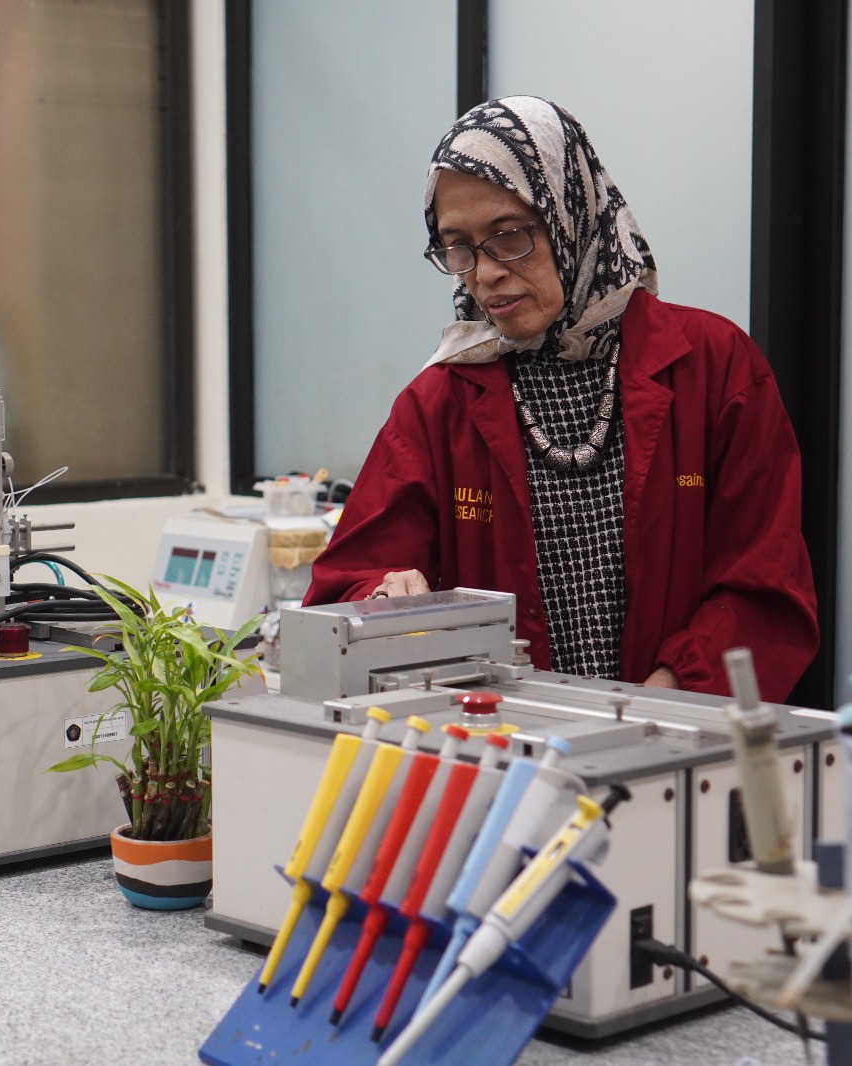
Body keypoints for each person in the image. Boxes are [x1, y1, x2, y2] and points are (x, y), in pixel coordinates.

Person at [303, 97, 818, 701]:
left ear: (572, 213)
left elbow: (765, 588)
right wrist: (381, 599)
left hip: (685, 734)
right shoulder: (438, 403)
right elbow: (343, 591)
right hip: (504, 743)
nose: (485, 273)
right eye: (458, 247)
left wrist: (664, 697)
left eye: (509, 236)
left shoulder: (712, 367)